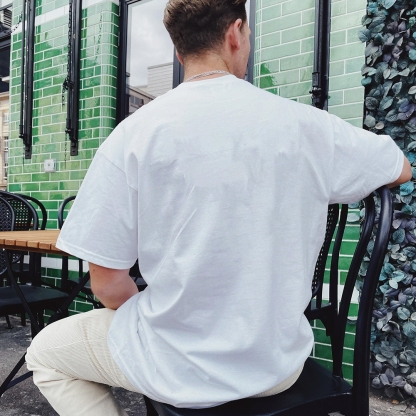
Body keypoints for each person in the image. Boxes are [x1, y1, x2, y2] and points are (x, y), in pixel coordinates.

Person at [26, 0, 412, 414]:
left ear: (179, 52)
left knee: (45, 353)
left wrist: (159, 321)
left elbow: (106, 285)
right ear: (235, 34)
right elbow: (400, 168)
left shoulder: (133, 134)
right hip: (277, 365)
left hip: (176, 366)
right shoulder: (308, 126)